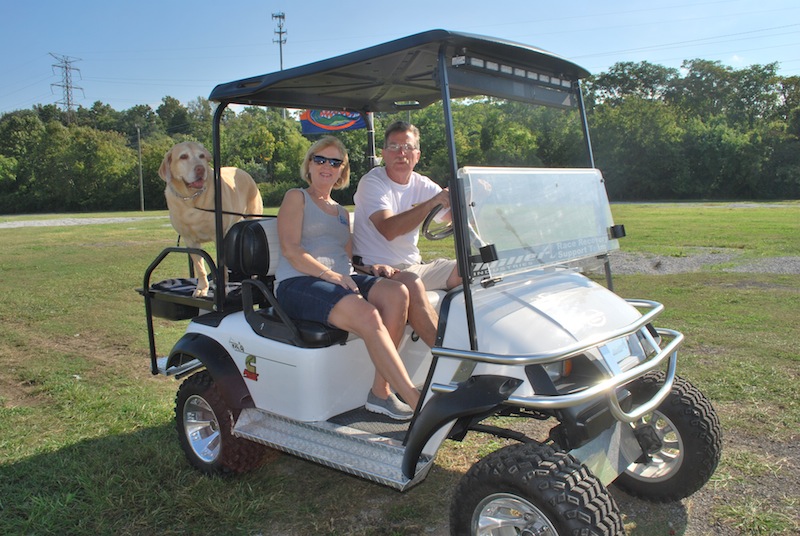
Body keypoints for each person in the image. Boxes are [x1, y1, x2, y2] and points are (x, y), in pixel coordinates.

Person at [274, 136, 425, 421]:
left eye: (335, 162)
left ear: (342, 170)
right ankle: (417, 401)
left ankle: (380, 393)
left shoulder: (342, 213)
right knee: (367, 314)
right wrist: (331, 275)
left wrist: (371, 269)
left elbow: (348, 261)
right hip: (298, 283)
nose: (326, 166)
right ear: (309, 164)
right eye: (320, 159)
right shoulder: (297, 197)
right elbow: (291, 251)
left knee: (396, 293)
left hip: (337, 280)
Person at [353, 121, 461, 292]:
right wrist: (431, 203)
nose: (401, 153)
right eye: (394, 146)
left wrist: (473, 196)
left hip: (414, 267)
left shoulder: (423, 184)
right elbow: (389, 229)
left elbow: (453, 218)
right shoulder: (372, 182)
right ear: (384, 154)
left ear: (417, 155)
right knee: (412, 284)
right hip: (377, 271)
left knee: (471, 270)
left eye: (408, 147)